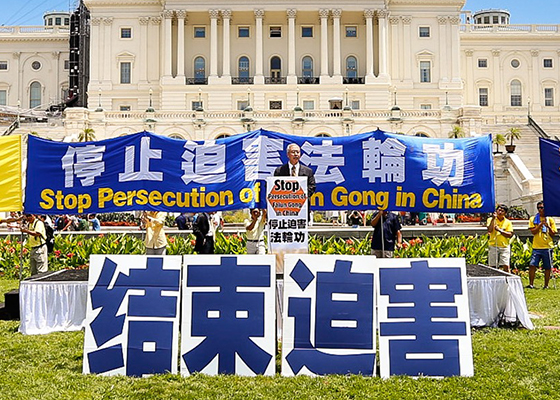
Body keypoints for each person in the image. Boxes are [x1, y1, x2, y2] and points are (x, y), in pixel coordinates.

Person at [527, 201, 557, 289]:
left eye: (542, 208)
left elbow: (553, 233)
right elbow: (533, 232)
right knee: (532, 265)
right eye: (539, 208)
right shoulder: (533, 219)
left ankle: (546, 285)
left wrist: (548, 226)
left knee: (547, 267)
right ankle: (531, 284)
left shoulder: (550, 219)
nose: (540, 210)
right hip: (537, 246)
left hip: (547, 246)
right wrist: (540, 225)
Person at [487, 204, 514, 272]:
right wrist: (493, 219)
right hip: (493, 245)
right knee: (492, 266)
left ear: (505, 213)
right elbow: (489, 230)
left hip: (504, 246)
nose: (500, 212)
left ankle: (508, 280)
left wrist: (500, 230)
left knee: (506, 265)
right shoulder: (490, 219)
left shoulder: (508, 222)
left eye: (502, 211)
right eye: (499, 210)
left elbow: (510, 234)